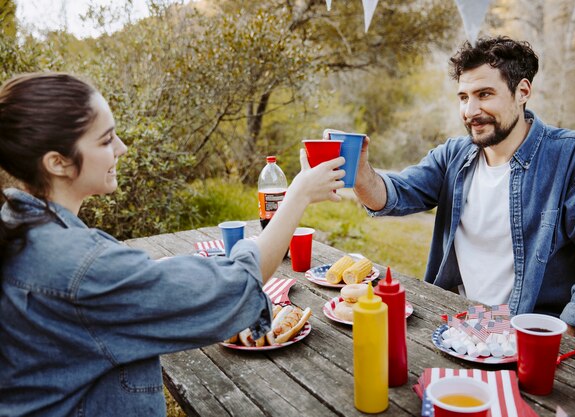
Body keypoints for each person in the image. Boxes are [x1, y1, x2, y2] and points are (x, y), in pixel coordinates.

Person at [0, 72, 346, 416]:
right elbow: (238, 284)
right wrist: (298, 194)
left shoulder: (18, 228)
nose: (121, 148)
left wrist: (146, 274)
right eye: (106, 140)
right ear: (57, 162)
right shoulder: (81, 268)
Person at [341, 36, 575, 342]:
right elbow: (393, 194)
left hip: (532, 334)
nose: (470, 110)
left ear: (522, 92)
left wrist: (555, 342)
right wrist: (359, 173)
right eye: (464, 97)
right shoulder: (454, 155)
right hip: (462, 324)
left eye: (485, 94)